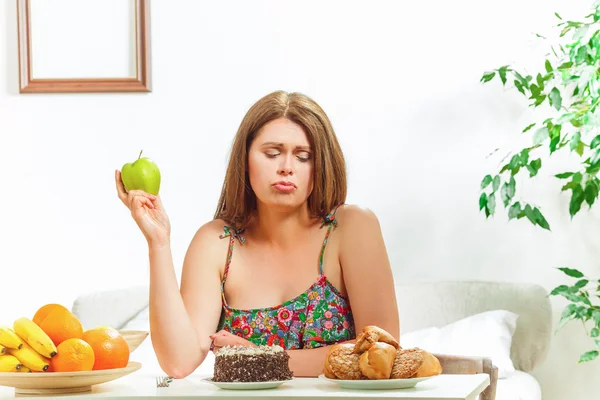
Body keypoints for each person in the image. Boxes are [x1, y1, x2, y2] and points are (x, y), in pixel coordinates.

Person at [114, 90, 399, 379]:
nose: (287, 167)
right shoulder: (217, 242)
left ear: (321, 164)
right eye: (272, 153)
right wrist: (158, 243)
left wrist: (257, 355)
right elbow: (179, 362)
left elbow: (380, 354)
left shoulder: (351, 227)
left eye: (303, 157)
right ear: (245, 159)